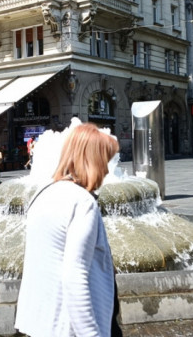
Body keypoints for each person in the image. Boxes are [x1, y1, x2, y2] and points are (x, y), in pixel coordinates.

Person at [15, 123, 120, 337]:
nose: (107, 170)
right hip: (71, 327)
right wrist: (91, 334)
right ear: (91, 160)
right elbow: (75, 276)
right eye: (104, 161)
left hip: (43, 325)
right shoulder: (82, 202)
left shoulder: (43, 194)